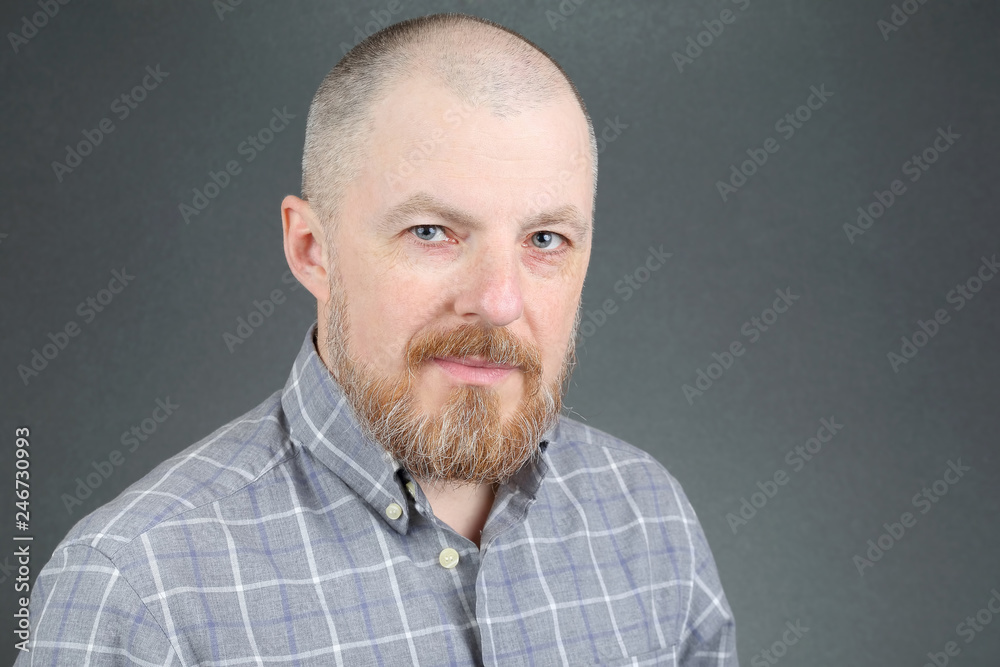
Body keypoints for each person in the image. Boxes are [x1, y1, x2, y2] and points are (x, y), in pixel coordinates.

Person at [20, 13, 737, 665]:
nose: (498, 303)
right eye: (431, 232)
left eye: (545, 239)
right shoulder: (136, 590)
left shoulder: (651, 519)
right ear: (311, 249)